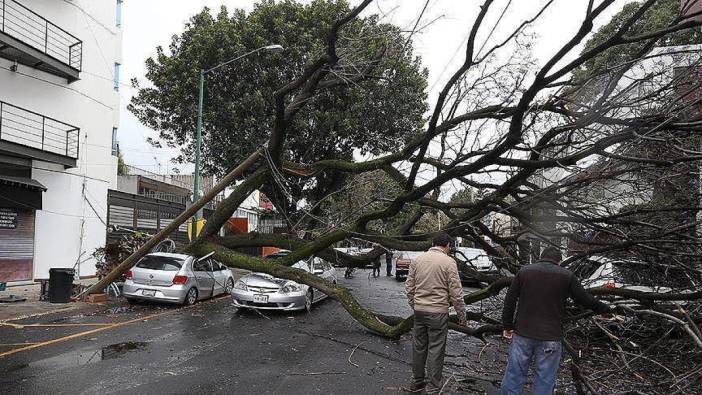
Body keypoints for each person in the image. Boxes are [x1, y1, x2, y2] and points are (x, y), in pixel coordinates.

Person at [500, 247, 612, 395]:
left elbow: (510, 300)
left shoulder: (525, 272)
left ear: (541, 257)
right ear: (558, 262)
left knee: (514, 375)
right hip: (551, 336)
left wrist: (507, 325)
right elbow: (585, 299)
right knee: (544, 380)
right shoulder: (567, 276)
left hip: (523, 333)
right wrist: (605, 309)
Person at [405, 233, 466, 393]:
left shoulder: (418, 260)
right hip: (438, 312)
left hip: (419, 311)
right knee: (436, 350)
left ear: (432, 244)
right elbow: (456, 293)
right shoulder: (449, 262)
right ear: (447, 245)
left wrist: (415, 304)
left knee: (418, 347)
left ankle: (417, 382)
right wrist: (462, 316)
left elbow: (409, 287)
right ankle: (433, 387)